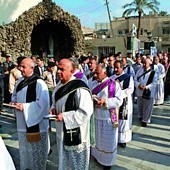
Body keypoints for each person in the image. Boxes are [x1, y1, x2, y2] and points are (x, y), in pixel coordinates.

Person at [51, 58, 93, 170]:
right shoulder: (59, 85)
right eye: (58, 69)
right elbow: (55, 101)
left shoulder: (80, 88)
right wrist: (53, 108)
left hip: (77, 134)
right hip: (62, 131)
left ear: (72, 70)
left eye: (62, 69)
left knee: (76, 164)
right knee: (64, 162)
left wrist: (64, 116)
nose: (58, 71)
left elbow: (85, 112)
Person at [11, 58, 50, 170]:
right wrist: (13, 102)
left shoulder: (39, 83)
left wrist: (24, 106)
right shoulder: (20, 81)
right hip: (22, 123)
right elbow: (15, 95)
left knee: (36, 154)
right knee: (25, 153)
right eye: (20, 66)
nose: (20, 69)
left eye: (23, 67)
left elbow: (43, 104)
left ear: (32, 68)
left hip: (36, 126)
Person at [90, 64, 122, 170]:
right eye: (95, 73)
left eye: (97, 73)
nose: (95, 75)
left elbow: (118, 100)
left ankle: (107, 162)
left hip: (108, 117)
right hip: (96, 116)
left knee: (108, 141)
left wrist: (105, 102)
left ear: (105, 73)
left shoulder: (113, 84)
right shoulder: (93, 83)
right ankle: (97, 156)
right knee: (97, 139)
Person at [111, 60, 134, 147]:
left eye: (117, 67)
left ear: (122, 67)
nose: (116, 69)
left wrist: (119, 94)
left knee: (123, 121)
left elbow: (130, 89)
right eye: (114, 67)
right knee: (115, 119)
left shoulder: (128, 77)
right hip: (114, 103)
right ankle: (115, 137)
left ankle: (123, 140)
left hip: (125, 102)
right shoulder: (112, 78)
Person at [134, 58, 158, 127]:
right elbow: (135, 79)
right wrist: (138, 85)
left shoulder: (153, 72)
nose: (144, 65)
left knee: (147, 107)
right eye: (143, 63)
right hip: (139, 92)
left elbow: (154, 83)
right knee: (140, 106)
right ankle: (141, 117)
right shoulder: (140, 71)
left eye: (145, 63)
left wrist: (146, 87)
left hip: (148, 93)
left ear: (150, 64)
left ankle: (145, 120)